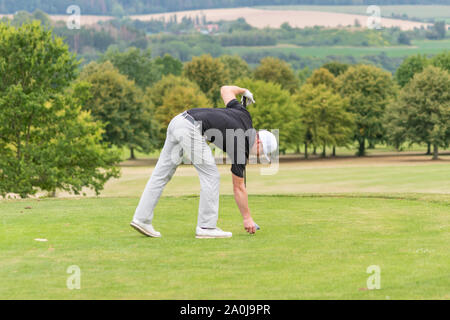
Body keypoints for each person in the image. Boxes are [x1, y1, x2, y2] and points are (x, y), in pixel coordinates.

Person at [130, 85, 277, 238]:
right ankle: (206, 227)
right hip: (191, 128)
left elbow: (225, 89)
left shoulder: (244, 115)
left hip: (178, 120)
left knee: (161, 174)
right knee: (212, 176)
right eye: (262, 154)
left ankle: (141, 219)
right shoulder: (243, 147)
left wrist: (244, 90)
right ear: (259, 142)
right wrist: (247, 218)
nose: (259, 157)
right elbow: (238, 187)